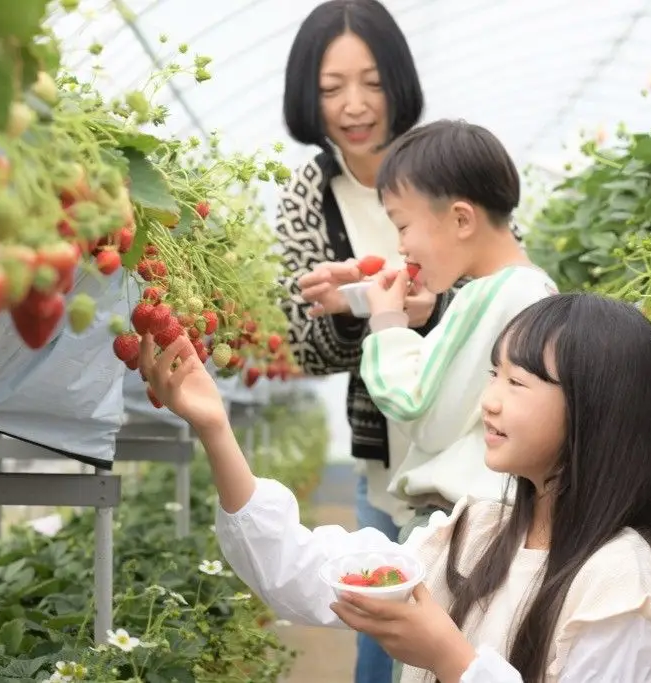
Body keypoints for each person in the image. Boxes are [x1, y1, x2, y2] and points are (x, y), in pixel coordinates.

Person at [139, 292, 651, 682]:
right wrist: (214, 427)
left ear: (596, 412)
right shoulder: (478, 531)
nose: (490, 400)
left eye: (517, 382)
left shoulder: (618, 585)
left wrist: (451, 659)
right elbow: (304, 575)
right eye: (492, 375)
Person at [273, 3, 454, 679]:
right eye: (330, 88)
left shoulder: (447, 161)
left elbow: (503, 289)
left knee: (470, 625)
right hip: (385, 455)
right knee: (381, 640)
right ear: (308, 97)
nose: (354, 105)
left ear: (397, 81)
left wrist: (429, 306)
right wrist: (358, 312)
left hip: (473, 444)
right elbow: (303, 345)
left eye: (372, 81)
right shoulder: (307, 196)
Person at [356, 120, 558, 548]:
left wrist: (387, 325)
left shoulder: (488, 296)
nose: (402, 247)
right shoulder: (537, 290)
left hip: (458, 523)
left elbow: (421, 413)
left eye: (403, 226)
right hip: (500, 518)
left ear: (462, 219)